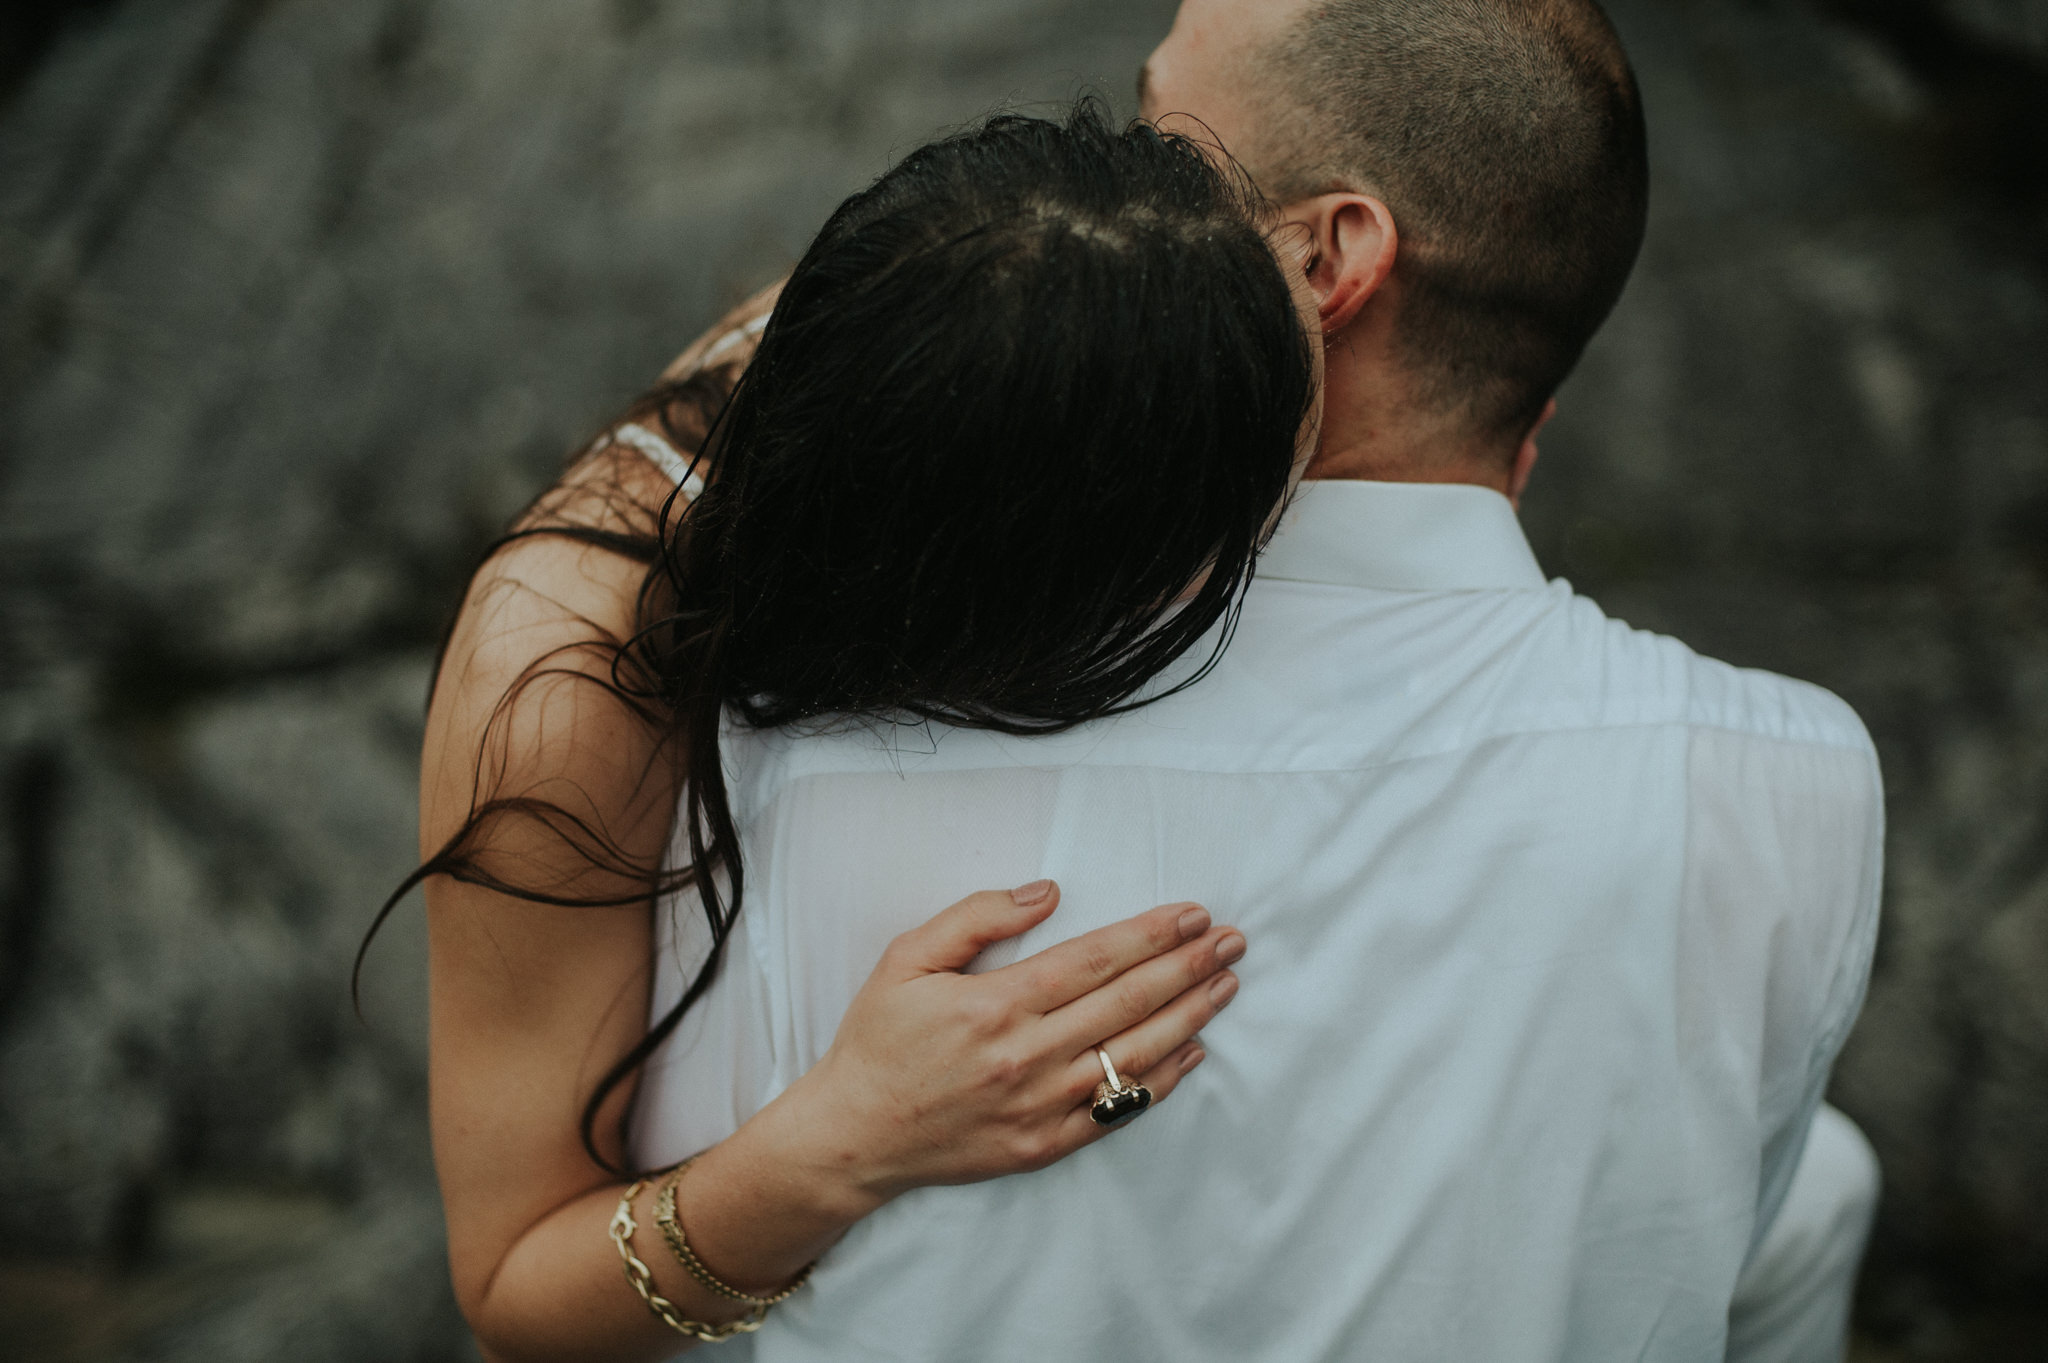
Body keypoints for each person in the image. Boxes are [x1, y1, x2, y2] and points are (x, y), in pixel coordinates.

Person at [622, 2, 1883, 1360]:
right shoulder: (1792, 787)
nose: (1094, 182)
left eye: (1163, 138)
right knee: (1823, 1179)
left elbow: (663, 1272)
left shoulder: (819, 737)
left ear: (1325, 255)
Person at [407, 104, 1324, 1361]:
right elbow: (512, 1284)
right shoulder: (556, 687)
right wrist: (847, 1139)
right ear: (1016, 579)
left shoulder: (1052, 278)